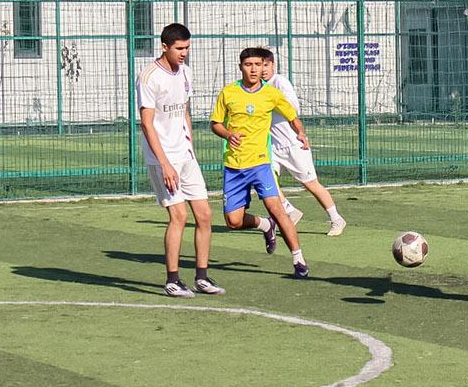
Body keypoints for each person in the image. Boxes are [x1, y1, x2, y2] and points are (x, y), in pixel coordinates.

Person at [137, 23, 221, 298]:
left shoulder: (186, 72)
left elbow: (184, 110)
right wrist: (164, 163)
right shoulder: (149, 77)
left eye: (187, 47)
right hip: (163, 158)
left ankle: (202, 278)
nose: (184, 53)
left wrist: (190, 149)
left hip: (185, 156)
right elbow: (148, 124)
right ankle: (172, 280)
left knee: (205, 215)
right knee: (179, 216)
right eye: (179, 48)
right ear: (165, 47)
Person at [211, 48, 310, 278]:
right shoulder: (228, 93)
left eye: (258, 64)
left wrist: (301, 134)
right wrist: (227, 134)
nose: (254, 69)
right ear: (241, 67)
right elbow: (215, 123)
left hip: (261, 164)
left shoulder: (271, 94)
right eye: (249, 64)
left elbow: (293, 117)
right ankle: (265, 226)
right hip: (234, 166)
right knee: (233, 222)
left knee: (278, 209)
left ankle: (299, 261)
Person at [258, 48, 347, 236]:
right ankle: (290, 211)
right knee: (265, 180)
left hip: (293, 145)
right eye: (260, 65)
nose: (263, 69)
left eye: (266, 65)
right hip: (273, 147)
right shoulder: (258, 87)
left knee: (311, 184)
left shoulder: (280, 83)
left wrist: (271, 102)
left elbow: (292, 109)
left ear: (273, 65)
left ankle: (336, 219)